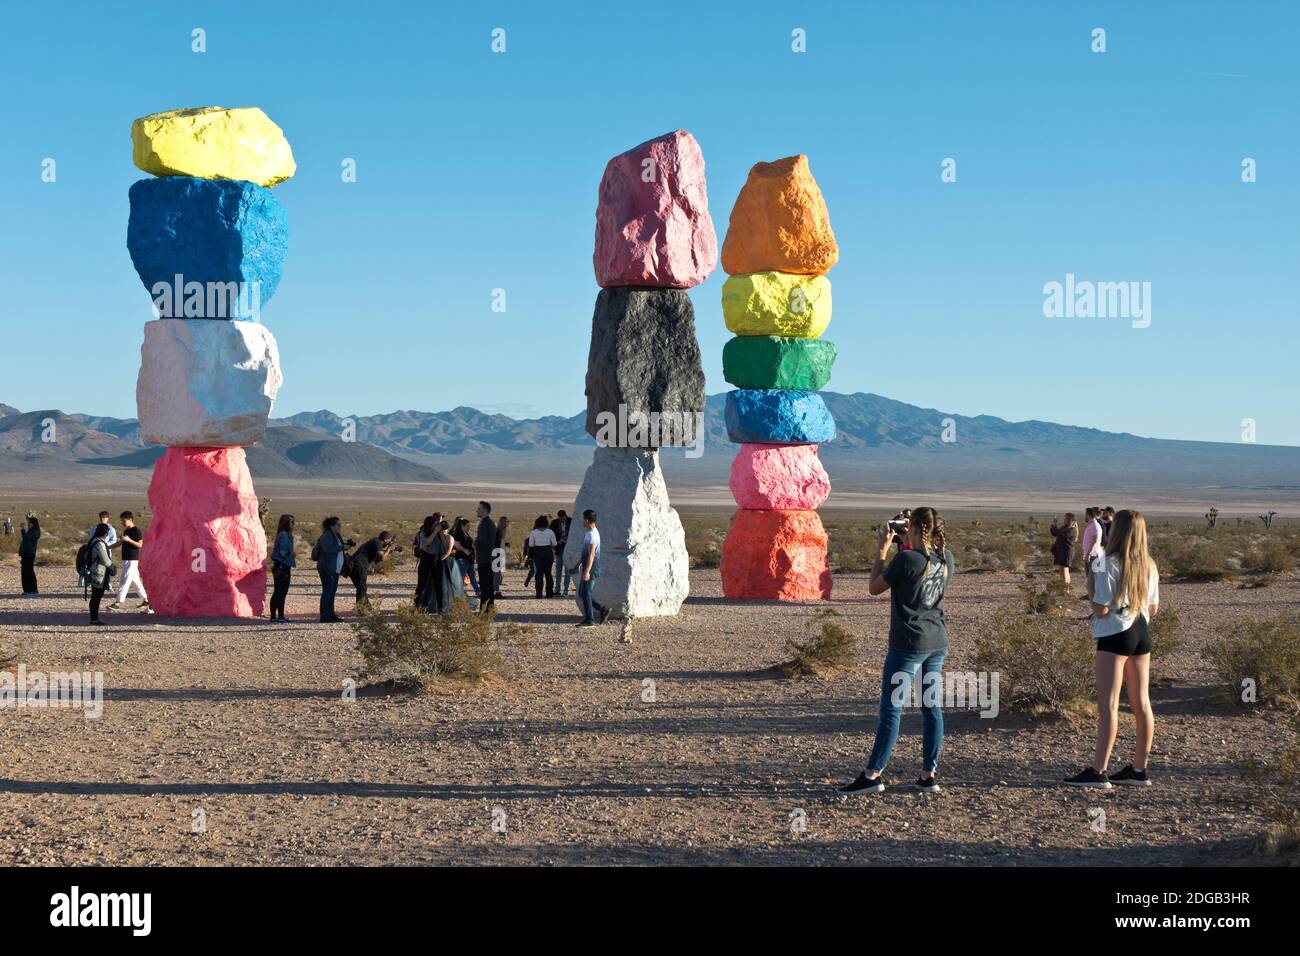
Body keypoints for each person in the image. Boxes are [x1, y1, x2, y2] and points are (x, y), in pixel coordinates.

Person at [839, 507, 954, 796]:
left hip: (907, 645)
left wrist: (881, 552)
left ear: (914, 528)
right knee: (931, 708)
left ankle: (873, 774)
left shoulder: (904, 559)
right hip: (936, 642)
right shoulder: (946, 558)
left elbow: (874, 588)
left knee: (892, 710)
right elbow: (918, 572)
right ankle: (928, 775)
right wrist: (907, 543)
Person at [1065, 509, 1160, 789]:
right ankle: (1140, 768)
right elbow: (1153, 608)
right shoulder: (1150, 564)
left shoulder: (1105, 561)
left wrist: (1091, 584)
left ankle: (1099, 771)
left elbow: (1101, 608)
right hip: (1142, 631)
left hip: (1115, 634)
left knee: (1108, 705)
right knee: (1142, 702)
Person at [106, 511, 153, 613]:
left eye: (124, 521)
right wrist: (107, 547)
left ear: (130, 519)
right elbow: (119, 543)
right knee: (136, 581)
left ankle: (118, 602)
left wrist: (129, 540)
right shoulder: (126, 531)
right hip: (126, 559)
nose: (122, 523)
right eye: (121, 521)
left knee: (124, 580)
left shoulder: (136, 531)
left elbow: (140, 545)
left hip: (132, 560)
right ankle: (146, 600)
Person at [575, 509, 609, 628]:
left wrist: (587, 571)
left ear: (587, 520)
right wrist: (579, 563)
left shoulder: (592, 535)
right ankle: (602, 609)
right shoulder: (591, 532)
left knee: (586, 593)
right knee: (583, 593)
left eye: (583, 519)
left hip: (591, 568)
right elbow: (586, 553)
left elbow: (591, 554)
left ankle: (590, 619)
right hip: (588, 567)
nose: (582, 521)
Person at [314, 517, 347, 623]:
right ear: (332, 526)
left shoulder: (336, 536)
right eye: (338, 525)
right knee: (327, 592)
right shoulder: (327, 536)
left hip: (335, 569)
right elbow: (328, 549)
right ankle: (324, 616)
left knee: (332, 592)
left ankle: (331, 614)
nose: (340, 527)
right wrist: (342, 547)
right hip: (328, 568)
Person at [351, 530, 395, 606]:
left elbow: (377, 561)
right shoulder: (377, 542)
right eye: (389, 541)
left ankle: (367, 607)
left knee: (362, 587)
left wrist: (390, 552)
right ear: (386, 539)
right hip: (358, 565)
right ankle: (361, 609)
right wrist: (389, 548)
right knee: (361, 588)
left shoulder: (375, 542)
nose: (388, 543)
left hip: (358, 565)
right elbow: (382, 558)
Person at [85, 523, 115, 625]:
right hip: (99, 573)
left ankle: (94, 618)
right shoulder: (100, 543)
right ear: (105, 532)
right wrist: (112, 567)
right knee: (96, 596)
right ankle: (94, 619)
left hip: (94, 571)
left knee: (95, 596)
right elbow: (106, 560)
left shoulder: (93, 541)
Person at [269, 514, 295, 622]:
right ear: (286, 524)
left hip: (278, 566)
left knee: (277, 591)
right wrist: (291, 553)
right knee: (281, 592)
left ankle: (274, 617)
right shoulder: (284, 535)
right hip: (283, 566)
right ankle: (280, 617)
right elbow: (283, 552)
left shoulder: (281, 534)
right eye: (291, 522)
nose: (293, 524)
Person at [474, 501, 498, 612]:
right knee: (489, 585)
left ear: (484, 510)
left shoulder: (484, 524)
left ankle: (484, 610)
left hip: (484, 558)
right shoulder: (490, 523)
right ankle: (489, 608)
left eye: (479, 509)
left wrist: (474, 544)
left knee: (485, 585)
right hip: (490, 557)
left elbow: (482, 542)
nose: (477, 511)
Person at [526, 515, 557, 598]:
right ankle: (549, 593)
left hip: (538, 552)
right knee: (548, 573)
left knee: (539, 573)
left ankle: (539, 593)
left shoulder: (534, 532)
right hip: (548, 552)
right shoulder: (550, 532)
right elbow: (554, 543)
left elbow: (530, 544)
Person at [452, 517, 481, 604]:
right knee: (460, 577)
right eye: (467, 526)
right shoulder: (459, 534)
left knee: (472, 576)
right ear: (462, 526)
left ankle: (477, 591)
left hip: (469, 559)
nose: (469, 527)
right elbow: (456, 544)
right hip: (462, 559)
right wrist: (464, 550)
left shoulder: (466, 534)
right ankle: (458, 593)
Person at [1080, 507, 1105, 597]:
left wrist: (1088, 554)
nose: (1084, 516)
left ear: (1089, 515)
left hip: (1094, 555)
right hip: (1091, 554)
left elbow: (1095, 540)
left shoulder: (1095, 526)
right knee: (1090, 577)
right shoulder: (1091, 525)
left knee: (1094, 577)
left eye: (1085, 514)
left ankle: (1096, 596)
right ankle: (1092, 594)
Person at [1049, 513, 1078, 586]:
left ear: (1073, 521)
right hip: (1061, 551)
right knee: (1062, 570)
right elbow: (1054, 533)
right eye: (1065, 518)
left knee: (1064, 570)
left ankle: (1065, 589)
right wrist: (1054, 525)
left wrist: (1055, 527)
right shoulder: (1064, 527)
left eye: (1068, 519)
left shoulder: (1072, 529)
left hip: (1066, 552)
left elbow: (1061, 534)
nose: (1065, 520)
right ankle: (1064, 587)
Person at [550, 510, 572, 596]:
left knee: (568, 570)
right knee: (558, 570)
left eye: (563, 518)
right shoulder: (554, 523)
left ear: (565, 516)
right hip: (559, 548)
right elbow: (552, 534)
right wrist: (556, 543)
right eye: (560, 519)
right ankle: (557, 589)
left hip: (568, 547)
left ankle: (566, 589)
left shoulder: (571, 521)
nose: (562, 520)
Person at [18, 515, 40, 595]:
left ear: (34, 523)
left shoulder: (35, 531)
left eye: (30, 523)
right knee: (24, 572)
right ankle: (27, 590)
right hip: (25, 554)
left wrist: (23, 529)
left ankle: (33, 590)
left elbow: (26, 537)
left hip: (30, 554)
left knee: (29, 572)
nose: (29, 524)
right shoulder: (30, 531)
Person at [494, 515, 511, 598]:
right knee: (497, 574)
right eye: (507, 521)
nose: (508, 523)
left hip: (500, 553)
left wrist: (506, 544)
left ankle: (496, 591)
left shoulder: (501, 531)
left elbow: (500, 542)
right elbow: (496, 544)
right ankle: (496, 592)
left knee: (499, 574)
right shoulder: (498, 532)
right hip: (497, 553)